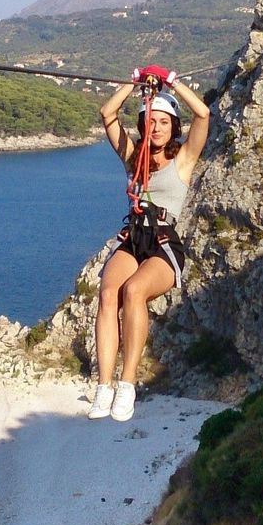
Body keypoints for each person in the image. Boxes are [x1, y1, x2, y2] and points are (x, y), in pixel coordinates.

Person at [88, 64, 210, 420]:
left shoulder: (182, 160)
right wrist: (134, 83)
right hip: (134, 238)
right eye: (151, 122)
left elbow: (203, 114)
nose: (156, 128)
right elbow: (107, 114)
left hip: (164, 244)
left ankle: (127, 385)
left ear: (173, 127)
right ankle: (104, 386)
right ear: (143, 125)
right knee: (108, 294)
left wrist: (172, 82)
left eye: (164, 122)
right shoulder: (134, 158)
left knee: (134, 291)